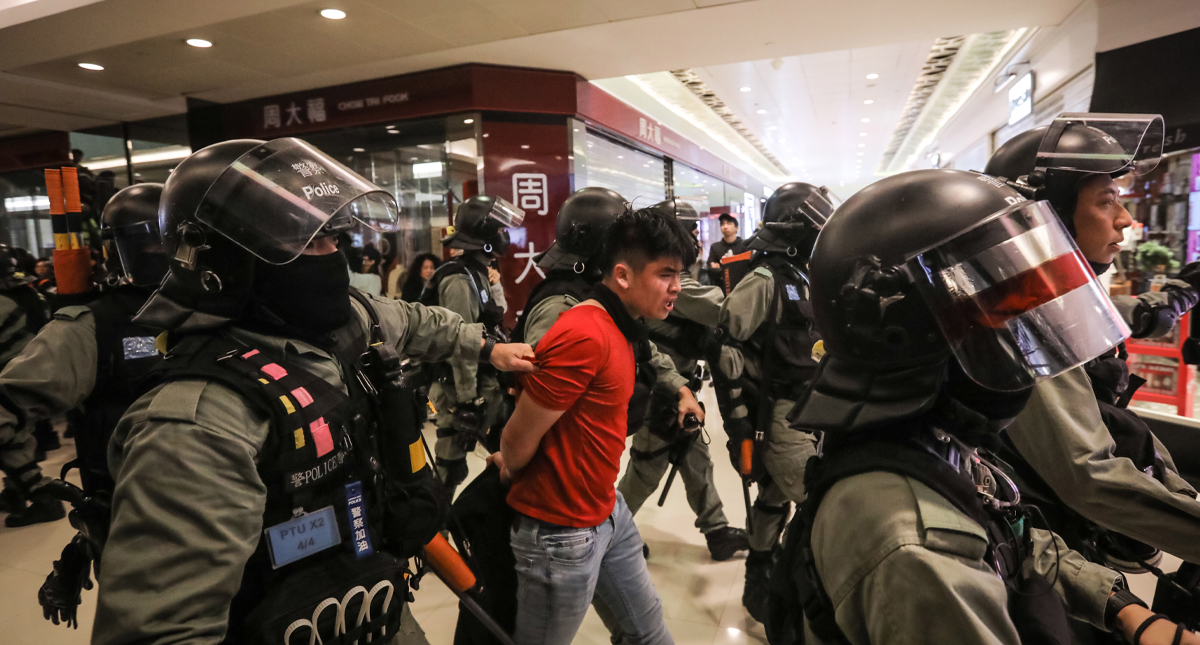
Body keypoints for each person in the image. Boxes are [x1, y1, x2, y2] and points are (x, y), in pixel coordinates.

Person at [90, 138, 537, 645]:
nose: (333, 257)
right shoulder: (201, 422)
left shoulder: (347, 322)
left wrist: (486, 349)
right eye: (307, 241)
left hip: (368, 596)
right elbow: (164, 630)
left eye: (331, 236)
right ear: (227, 261)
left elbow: (415, 322)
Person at [775, 168, 1197, 645]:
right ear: (910, 336)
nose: (1020, 351)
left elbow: (1007, 531)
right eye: (1003, 327)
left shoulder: (924, 442)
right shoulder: (914, 544)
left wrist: (1125, 611)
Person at [984, 113, 1200, 635]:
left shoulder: (1056, 298)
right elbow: (1087, 475)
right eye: (1106, 202)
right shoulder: (1022, 311)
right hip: (1043, 563)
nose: (1125, 219)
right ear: (1049, 218)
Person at [491, 205, 696, 645]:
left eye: (680, 274)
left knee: (649, 634)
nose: (676, 287)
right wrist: (511, 464)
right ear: (622, 275)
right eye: (666, 274)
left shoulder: (625, 325)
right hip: (560, 533)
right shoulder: (585, 333)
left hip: (606, 510)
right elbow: (518, 436)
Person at [0, 184, 164, 535]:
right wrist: (26, 477)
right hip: (136, 519)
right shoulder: (89, 328)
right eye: (153, 241)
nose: (164, 251)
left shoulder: (226, 312)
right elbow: (9, 402)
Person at [713, 182, 834, 621]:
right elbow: (725, 345)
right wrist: (739, 421)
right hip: (781, 415)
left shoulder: (802, 275)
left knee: (774, 497)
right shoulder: (765, 281)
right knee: (816, 500)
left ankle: (759, 577)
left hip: (810, 407)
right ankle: (794, 587)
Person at [617, 198, 749, 561]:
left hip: (681, 389)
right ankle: (608, 532)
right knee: (645, 469)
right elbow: (724, 308)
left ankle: (717, 530)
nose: (695, 238)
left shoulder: (673, 279)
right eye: (689, 231)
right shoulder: (679, 285)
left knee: (697, 459)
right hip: (662, 389)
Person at [419, 196, 516, 497]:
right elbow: (461, 344)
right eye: (499, 229)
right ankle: (433, 538)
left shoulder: (476, 273)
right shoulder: (459, 280)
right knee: (449, 468)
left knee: (512, 455)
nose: (504, 235)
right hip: (458, 391)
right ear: (485, 238)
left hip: (481, 385)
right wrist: (467, 401)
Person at [706, 213, 746, 283]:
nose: (725, 226)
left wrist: (721, 269)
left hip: (741, 287)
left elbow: (745, 269)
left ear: (736, 227)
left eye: (728, 223)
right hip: (721, 289)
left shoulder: (744, 246)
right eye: (722, 224)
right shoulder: (715, 247)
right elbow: (710, 270)